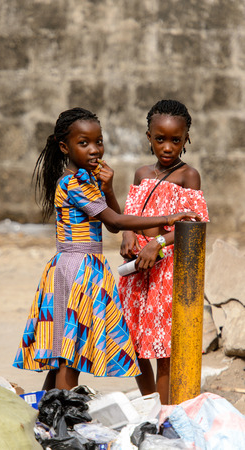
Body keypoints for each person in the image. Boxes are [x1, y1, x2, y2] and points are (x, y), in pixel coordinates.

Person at [13, 106, 201, 391]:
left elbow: (114, 225)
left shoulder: (88, 180)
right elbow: (115, 220)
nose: (94, 150)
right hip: (74, 269)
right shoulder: (73, 183)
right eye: (84, 143)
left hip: (87, 269)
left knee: (68, 350)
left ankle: (49, 417)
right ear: (65, 146)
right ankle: (62, 419)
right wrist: (166, 219)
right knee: (68, 355)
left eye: (98, 142)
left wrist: (109, 188)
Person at [118, 99, 209, 404]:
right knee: (132, 341)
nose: (167, 147)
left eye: (175, 140)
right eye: (160, 139)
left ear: (187, 139)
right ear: (149, 137)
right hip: (136, 270)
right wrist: (128, 236)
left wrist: (156, 244)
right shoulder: (142, 173)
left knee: (162, 346)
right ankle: (149, 407)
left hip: (165, 271)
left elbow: (194, 225)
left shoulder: (188, 176)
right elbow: (129, 214)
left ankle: (165, 412)